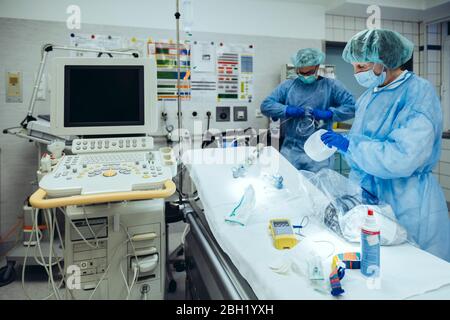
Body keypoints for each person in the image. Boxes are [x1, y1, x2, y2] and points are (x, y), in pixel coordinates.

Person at [321, 29, 450, 262]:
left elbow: (402, 157)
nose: (357, 73)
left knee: (414, 268)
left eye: (362, 67)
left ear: (384, 62)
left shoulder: (418, 93)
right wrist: (346, 147)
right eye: (354, 67)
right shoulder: (369, 96)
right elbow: (361, 148)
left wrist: (351, 147)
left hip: (406, 200)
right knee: (377, 265)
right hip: (368, 196)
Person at [260, 48, 356, 172]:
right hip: (291, 150)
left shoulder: (331, 86)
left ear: (317, 67)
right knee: (289, 186)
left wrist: (330, 114)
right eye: (302, 73)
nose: (305, 77)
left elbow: (352, 107)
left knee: (318, 188)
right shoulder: (288, 86)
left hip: (319, 149)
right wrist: (287, 110)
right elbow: (266, 105)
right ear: (296, 69)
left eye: (309, 72)